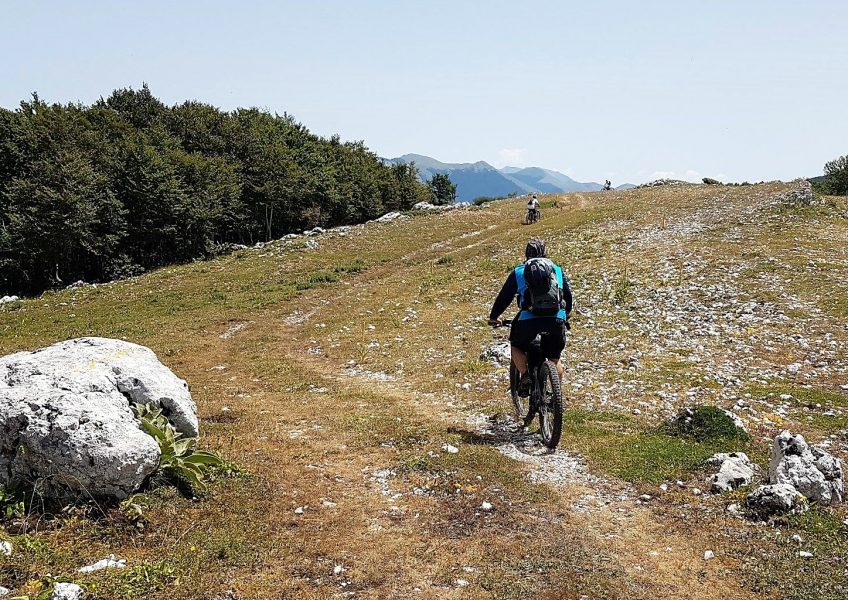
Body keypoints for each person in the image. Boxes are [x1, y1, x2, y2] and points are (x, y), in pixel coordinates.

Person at [488, 239, 572, 393]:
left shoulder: (519, 271)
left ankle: (525, 374)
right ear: (545, 253)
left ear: (526, 255)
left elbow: (504, 298)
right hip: (556, 318)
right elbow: (568, 296)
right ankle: (556, 397)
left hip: (528, 320)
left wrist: (494, 316)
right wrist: (566, 314)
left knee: (516, 345)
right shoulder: (557, 270)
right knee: (554, 357)